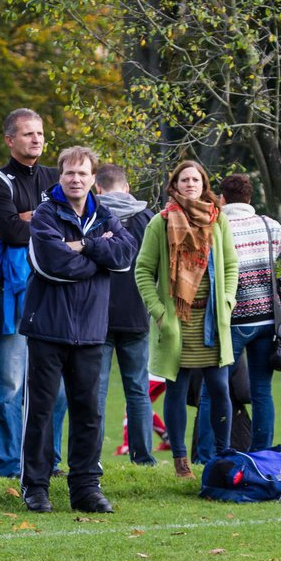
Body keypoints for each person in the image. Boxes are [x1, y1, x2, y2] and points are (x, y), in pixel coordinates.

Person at [19, 147, 137, 513]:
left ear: (92, 179)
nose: (75, 179)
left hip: (90, 331)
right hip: (47, 329)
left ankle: (85, 488)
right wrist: (96, 257)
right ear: (60, 176)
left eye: (82, 174)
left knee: (89, 412)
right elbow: (53, 264)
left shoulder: (104, 215)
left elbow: (124, 255)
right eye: (69, 173)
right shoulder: (44, 215)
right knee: (40, 411)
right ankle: (36, 487)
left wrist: (84, 245)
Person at [134, 160, 238, 478]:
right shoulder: (161, 223)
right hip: (177, 322)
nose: (190, 184)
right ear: (174, 185)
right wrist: (160, 313)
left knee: (220, 387)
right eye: (184, 179)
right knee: (176, 390)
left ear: (204, 184)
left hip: (211, 321)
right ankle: (181, 461)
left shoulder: (217, 220)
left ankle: (223, 454)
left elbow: (232, 265)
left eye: (195, 179)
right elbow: (142, 271)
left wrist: (228, 300)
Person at [0, 108, 58, 478]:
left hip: (54, 296)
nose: (36, 139)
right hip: (12, 298)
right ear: (10, 140)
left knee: (55, 387)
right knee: (9, 385)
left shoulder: (56, 177)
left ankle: (46, 461)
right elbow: (9, 233)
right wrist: (44, 220)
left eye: (39, 133)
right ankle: (8, 464)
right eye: (27, 134)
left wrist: (30, 216)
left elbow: (69, 228)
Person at [215, 174, 281, 451]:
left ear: (222, 198)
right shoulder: (268, 226)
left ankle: (209, 452)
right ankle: (261, 452)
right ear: (250, 199)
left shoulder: (217, 226)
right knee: (261, 391)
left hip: (231, 320)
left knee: (215, 388)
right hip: (266, 319)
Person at [92, 164, 156, 466]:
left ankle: (93, 458)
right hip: (137, 312)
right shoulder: (147, 218)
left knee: (97, 392)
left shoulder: (93, 216)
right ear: (127, 188)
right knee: (138, 390)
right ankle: (142, 457)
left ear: (98, 189)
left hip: (98, 314)